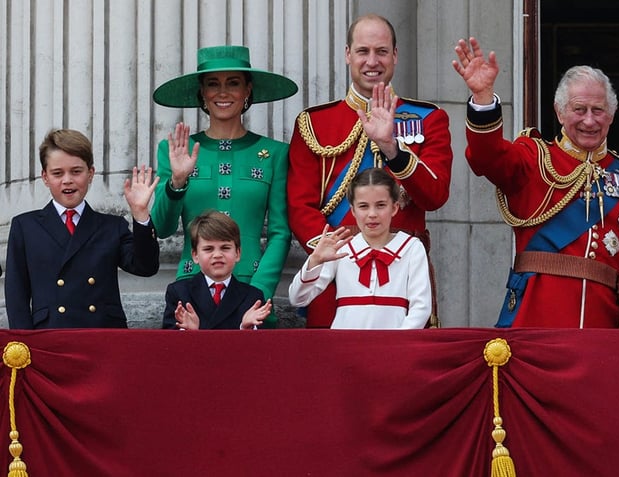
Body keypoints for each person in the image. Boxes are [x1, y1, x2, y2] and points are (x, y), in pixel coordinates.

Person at [452, 37, 619, 328]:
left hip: (604, 326)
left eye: (598, 110)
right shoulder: (533, 157)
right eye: (579, 109)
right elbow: (486, 157)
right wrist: (484, 98)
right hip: (537, 318)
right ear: (559, 112)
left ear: (611, 115)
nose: (589, 120)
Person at [287, 14, 452, 328]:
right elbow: (299, 206)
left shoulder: (429, 118)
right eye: (363, 51)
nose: (372, 61)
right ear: (348, 54)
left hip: (403, 268)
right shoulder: (314, 123)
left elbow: (435, 195)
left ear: (395, 55)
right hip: (335, 274)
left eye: (382, 51)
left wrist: (393, 149)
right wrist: (337, 254)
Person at [151, 45, 297, 328]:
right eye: (213, 84)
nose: (223, 92)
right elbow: (163, 227)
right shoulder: (176, 149)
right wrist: (177, 181)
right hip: (193, 290)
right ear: (202, 92)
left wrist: (258, 294)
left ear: (247, 90)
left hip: (253, 292)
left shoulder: (275, 153)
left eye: (233, 83)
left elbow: (280, 233)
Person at [5, 129, 160, 329]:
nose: (67, 180)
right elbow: (16, 294)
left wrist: (140, 214)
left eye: (76, 171)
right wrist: (23, 345)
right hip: (50, 336)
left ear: (91, 174)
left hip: (102, 336)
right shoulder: (25, 226)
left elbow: (145, 267)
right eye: (57, 173)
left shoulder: (112, 226)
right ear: (45, 177)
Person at [288, 168, 431, 329]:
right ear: (353, 210)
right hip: (346, 347)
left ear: (395, 208)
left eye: (381, 205)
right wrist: (315, 260)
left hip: (394, 347)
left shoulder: (412, 248)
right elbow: (298, 298)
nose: (372, 214)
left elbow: (421, 308)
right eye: (363, 206)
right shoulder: (342, 248)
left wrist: (397, 345)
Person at [162, 211, 272, 330]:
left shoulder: (253, 297)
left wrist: (245, 328)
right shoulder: (179, 293)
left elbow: (260, 346)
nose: (217, 255)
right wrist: (190, 333)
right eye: (208, 249)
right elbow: (167, 343)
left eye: (225, 248)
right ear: (195, 255)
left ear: (238, 253)